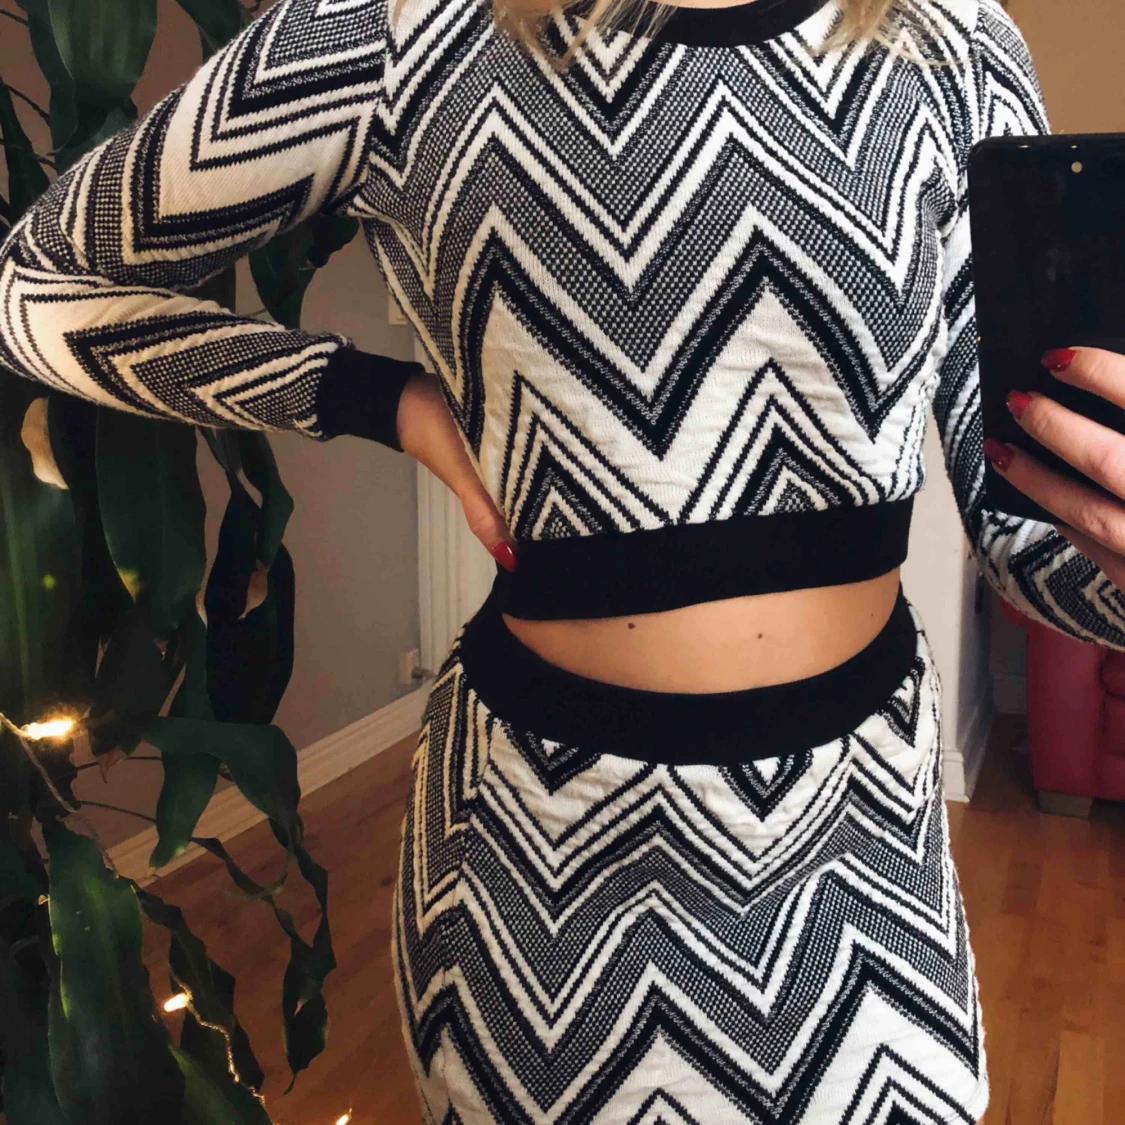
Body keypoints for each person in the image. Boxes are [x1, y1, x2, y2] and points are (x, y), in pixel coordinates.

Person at [2, 0, 1124, 1120]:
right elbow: (34, 287)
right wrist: (377, 399)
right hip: (546, 874)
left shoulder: (954, 40)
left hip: (869, 844)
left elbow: (1020, 523)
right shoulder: (396, 31)